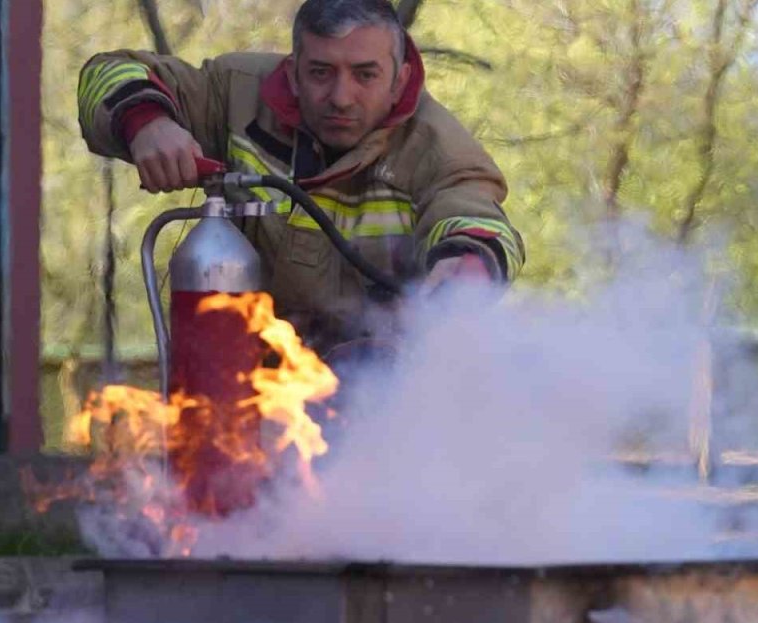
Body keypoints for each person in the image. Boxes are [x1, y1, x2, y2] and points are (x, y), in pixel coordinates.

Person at [78, 0, 525, 356]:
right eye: (320, 72)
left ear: (399, 78)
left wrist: (466, 266)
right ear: (292, 72)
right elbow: (107, 71)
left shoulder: (436, 148)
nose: (341, 97)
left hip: (377, 407)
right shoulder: (234, 94)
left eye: (365, 74)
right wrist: (147, 122)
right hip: (235, 392)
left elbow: (471, 211)